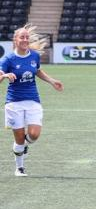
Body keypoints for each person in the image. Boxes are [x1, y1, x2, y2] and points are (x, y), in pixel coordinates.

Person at [0, 25, 63, 177]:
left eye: (27, 37)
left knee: (34, 135)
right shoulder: (8, 59)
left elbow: (38, 71)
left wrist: (52, 81)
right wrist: (6, 75)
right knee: (19, 138)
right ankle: (20, 168)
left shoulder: (34, 56)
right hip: (14, 103)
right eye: (22, 37)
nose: (25, 40)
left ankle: (23, 147)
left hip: (33, 100)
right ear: (15, 40)